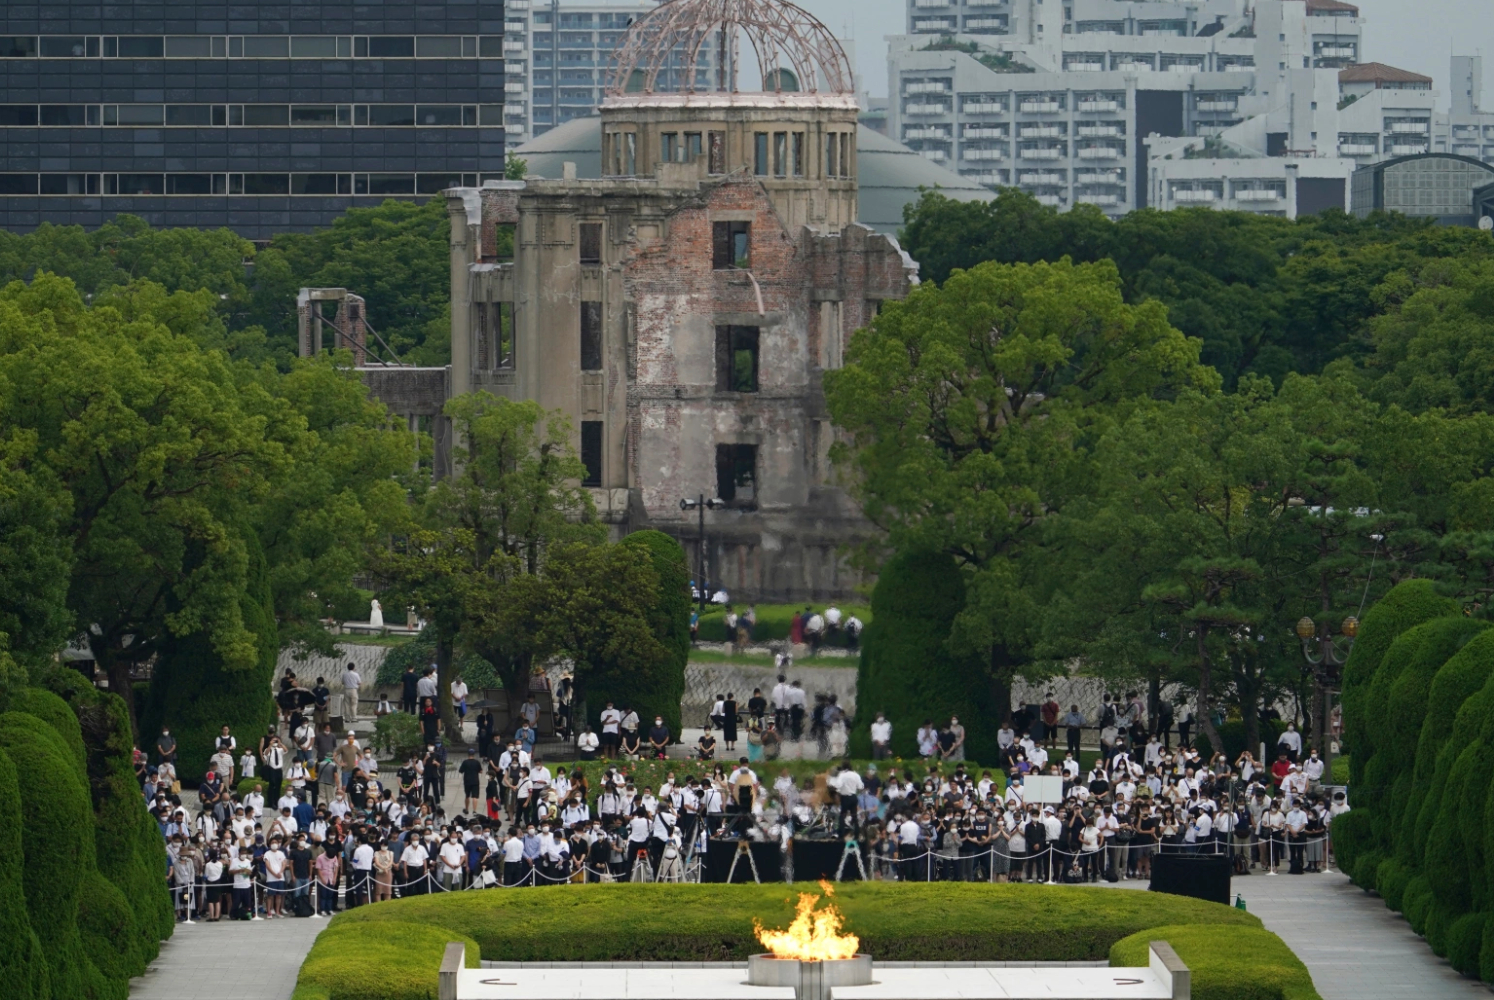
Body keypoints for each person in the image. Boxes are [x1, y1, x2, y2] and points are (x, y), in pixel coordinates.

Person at [460, 749, 483, 813]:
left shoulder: (465, 762)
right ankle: (474, 810)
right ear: (474, 754)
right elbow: (480, 771)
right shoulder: (477, 762)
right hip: (475, 781)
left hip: (467, 781)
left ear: (468, 754)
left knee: (467, 795)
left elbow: (461, 770)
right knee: (475, 796)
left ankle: (467, 809)